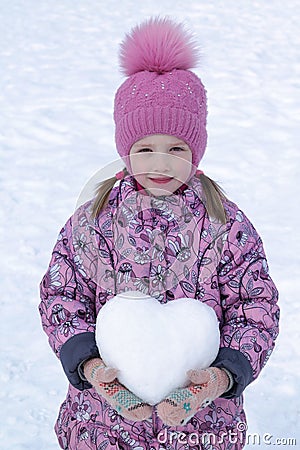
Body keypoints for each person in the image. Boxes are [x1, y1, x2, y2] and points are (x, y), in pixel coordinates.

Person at [39, 17, 279, 450]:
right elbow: (63, 294)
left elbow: (255, 303)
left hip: (203, 428)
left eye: (176, 149)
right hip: (102, 425)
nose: (161, 164)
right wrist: (90, 367)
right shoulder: (94, 222)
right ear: (124, 148)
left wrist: (222, 375)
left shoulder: (224, 224)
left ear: (196, 149)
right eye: (145, 148)